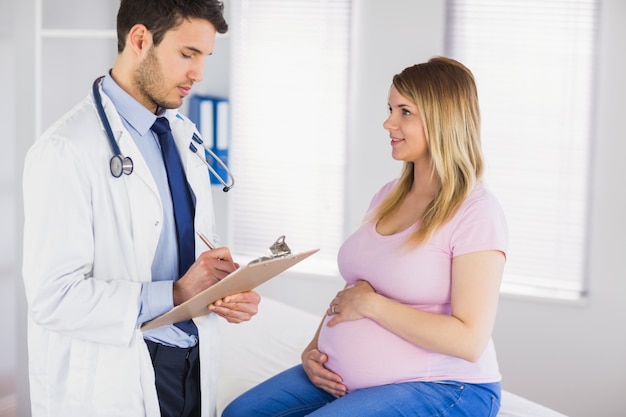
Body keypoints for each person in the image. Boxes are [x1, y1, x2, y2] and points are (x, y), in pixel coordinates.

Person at [222, 56, 508, 417]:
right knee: (239, 414)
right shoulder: (389, 195)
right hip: (346, 379)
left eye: (405, 111)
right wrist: (313, 350)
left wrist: (372, 306)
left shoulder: (476, 212)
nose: (388, 122)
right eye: (390, 108)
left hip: (447, 387)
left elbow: (469, 340)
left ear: (443, 118)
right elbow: (354, 288)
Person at [22, 1, 261, 416]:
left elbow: (194, 248)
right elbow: (53, 298)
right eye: (188, 54)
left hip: (193, 360)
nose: (198, 74)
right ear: (139, 39)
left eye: (205, 57)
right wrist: (175, 293)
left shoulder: (184, 135)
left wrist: (224, 291)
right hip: (121, 370)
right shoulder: (66, 150)